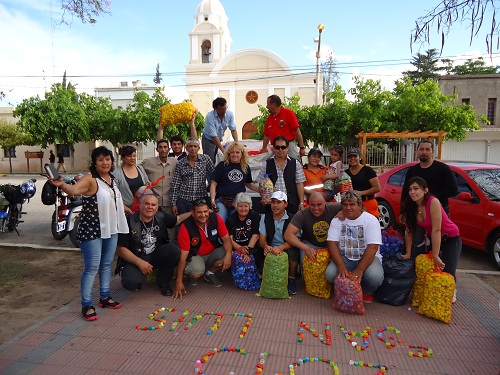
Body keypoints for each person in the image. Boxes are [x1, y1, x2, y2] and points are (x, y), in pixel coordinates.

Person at [51, 146, 128, 321]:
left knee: (107, 264)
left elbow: (113, 201)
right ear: (94, 162)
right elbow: (74, 191)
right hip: (91, 230)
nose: (105, 162)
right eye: (100, 160)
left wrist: (126, 209)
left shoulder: (111, 178)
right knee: (92, 267)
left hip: (111, 228)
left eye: (107, 159)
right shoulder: (90, 179)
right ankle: (86, 305)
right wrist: (62, 184)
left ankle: (105, 297)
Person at [115, 194, 191, 296]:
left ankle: (163, 283)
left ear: (157, 207)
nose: (150, 207)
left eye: (153, 205)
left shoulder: (160, 216)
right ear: (140, 205)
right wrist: (140, 263)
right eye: (147, 204)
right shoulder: (129, 221)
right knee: (131, 283)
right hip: (136, 258)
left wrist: (194, 212)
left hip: (156, 255)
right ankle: (138, 277)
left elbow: (178, 219)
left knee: (173, 249)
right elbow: (120, 249)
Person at [401, 177, 461, 301]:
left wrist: (435, 255)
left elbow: (436, 229)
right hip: (433, 238)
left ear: (425, 190)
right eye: (410, 189)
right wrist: (408, 253)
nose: (412, 192)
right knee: (426, 266)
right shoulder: (410, 206)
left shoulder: (433, 202)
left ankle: (452, 288)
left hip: (450, 238)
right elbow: (409, 231)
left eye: (416, 188)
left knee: (447, 270)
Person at [326, 191, 384, 303]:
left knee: (375, 277)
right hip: (345, 257)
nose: (348, 208)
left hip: (368, 258)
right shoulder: (337, 220)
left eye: (352, 204)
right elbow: (332, 244)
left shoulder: (371, 220)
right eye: (345, 205)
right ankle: (344, 289)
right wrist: (341, 266)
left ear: (360, 206)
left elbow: (373, 247)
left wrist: (360, 270)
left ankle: (366, 291)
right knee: (330, 273)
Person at [173, 198, 232, 299]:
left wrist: (229, 256)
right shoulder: (185, 227)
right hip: (196, 255)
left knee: (230, 254)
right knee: (195, 272)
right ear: (192, 212)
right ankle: (192, 276)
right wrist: (179, 282)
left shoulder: (215, 218)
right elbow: (183, 257)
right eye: (199, 212)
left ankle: (210, 273)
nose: (203, 215)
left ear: (209, 210)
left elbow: (226, 239)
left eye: (205, 211)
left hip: (213, 251)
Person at [259, 191, 300, 295]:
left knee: (293, 253)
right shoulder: (265, 218)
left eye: (279, 202)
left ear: (285, 204)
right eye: (273, 202)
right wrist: (266, 246)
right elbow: (262, 239)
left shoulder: (293, 219)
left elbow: (296, 240)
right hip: (271, 247)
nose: (275, 205)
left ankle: (291, 278)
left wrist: (281, 247)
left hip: (287, 246)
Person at [402, 140, 458, 214]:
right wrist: (403, 212)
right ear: (417, 151)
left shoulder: (443, 169)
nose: (424, 152)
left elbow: (453, 190)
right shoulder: (412, 170)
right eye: (421, 149)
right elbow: (405, 192)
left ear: (432, 152)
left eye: (427, 149)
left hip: (438, 212)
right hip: (417, 212)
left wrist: (430, 198)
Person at [284, 192, 341, 263]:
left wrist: (344, 212)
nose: (316, 208)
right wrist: (306, 248)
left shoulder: (334, 207)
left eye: (319, 204)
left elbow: (352, 206)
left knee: (331, 273)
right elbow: (288, 235)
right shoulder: (303, 214)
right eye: (313, 205)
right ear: (308, 204)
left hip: (331, 245)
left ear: (325, 202)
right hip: (311, 245)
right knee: (308, 264)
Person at [209, 142, 259, 221]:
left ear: (242, 154)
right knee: (220, 220)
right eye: (232, 152)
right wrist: (212, 200)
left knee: (237, 223)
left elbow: (248, 183)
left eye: (237, 152)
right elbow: (213, 183)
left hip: (238, 203)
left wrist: (261, 190)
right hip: (222, 200)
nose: (234, 154)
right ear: (228, 154)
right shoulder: (222, 165)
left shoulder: (245, 167)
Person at [256, 136, 306, 214]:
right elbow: (261, 184)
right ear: (273, 148)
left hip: (291, 204)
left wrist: (301, 203)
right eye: (277, 147)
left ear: (287, 148)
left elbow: (299, 184)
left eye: (283, 147)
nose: (280, 150)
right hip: (272, 205)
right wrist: (265, 198)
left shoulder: (295, 163)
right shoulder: (266, 164)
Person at [170, 137, 215, 215]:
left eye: (195, 146)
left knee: (201, 222)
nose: (193, 149)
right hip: (184, 200)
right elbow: (175, 184)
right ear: (186, 148)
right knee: (184, 224)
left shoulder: (205, 159)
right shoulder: (180, 163)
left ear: (198, 148)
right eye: (190, 146)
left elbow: (214, 176)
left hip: (201, 199)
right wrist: (173, 203)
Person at [260, 94, 306, 161]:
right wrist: (263, 149)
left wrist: (302, 147)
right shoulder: (269, 118)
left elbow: (297, 130)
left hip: (289, 146)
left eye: (268, 104)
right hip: (275, 148)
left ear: (274, 105)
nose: (267, 107)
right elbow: (266, 136)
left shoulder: (288, 113)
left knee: (294, 165)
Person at [225, 192, 261, 265]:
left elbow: (256, 236)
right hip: (236, 246)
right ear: (236, 206)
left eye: (246, 206)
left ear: (249, 206)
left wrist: (248, 251)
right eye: (240, 206)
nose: (243, 209)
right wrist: (240, 249)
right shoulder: (231, 219)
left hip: (252, 246)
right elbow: (229, 239)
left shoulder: (255, 216)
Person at [114, 145, 150, 215]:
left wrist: (148, 185)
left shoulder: (140, 169)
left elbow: (147, 183)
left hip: (142, 209)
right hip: (127, 210)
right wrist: (123, 207)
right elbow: (114, 194)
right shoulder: (116, 174)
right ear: (123, 158)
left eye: (134, 156)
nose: (132, 158)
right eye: (129, 156)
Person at [345, 148, 380, 217]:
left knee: (370, 226)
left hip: (367, 202)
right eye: (350, 157)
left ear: (360, 158)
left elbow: (377, 188)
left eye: (355, 156)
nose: (352, 158)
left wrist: (361, 193)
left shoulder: (368, 170)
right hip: (352, 205)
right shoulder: (346, 173)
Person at [202, 97, 239, 164]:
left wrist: (237, 144)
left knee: (217, 159)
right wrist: (223, 151)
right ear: (215, 109)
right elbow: (214, 136)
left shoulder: (229, 114)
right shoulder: (209, 117)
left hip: (219, 139)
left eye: (225, 108)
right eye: (221, 109)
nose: (224, 111)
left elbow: (233, 129)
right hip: (208, 140)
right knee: (210, 161)